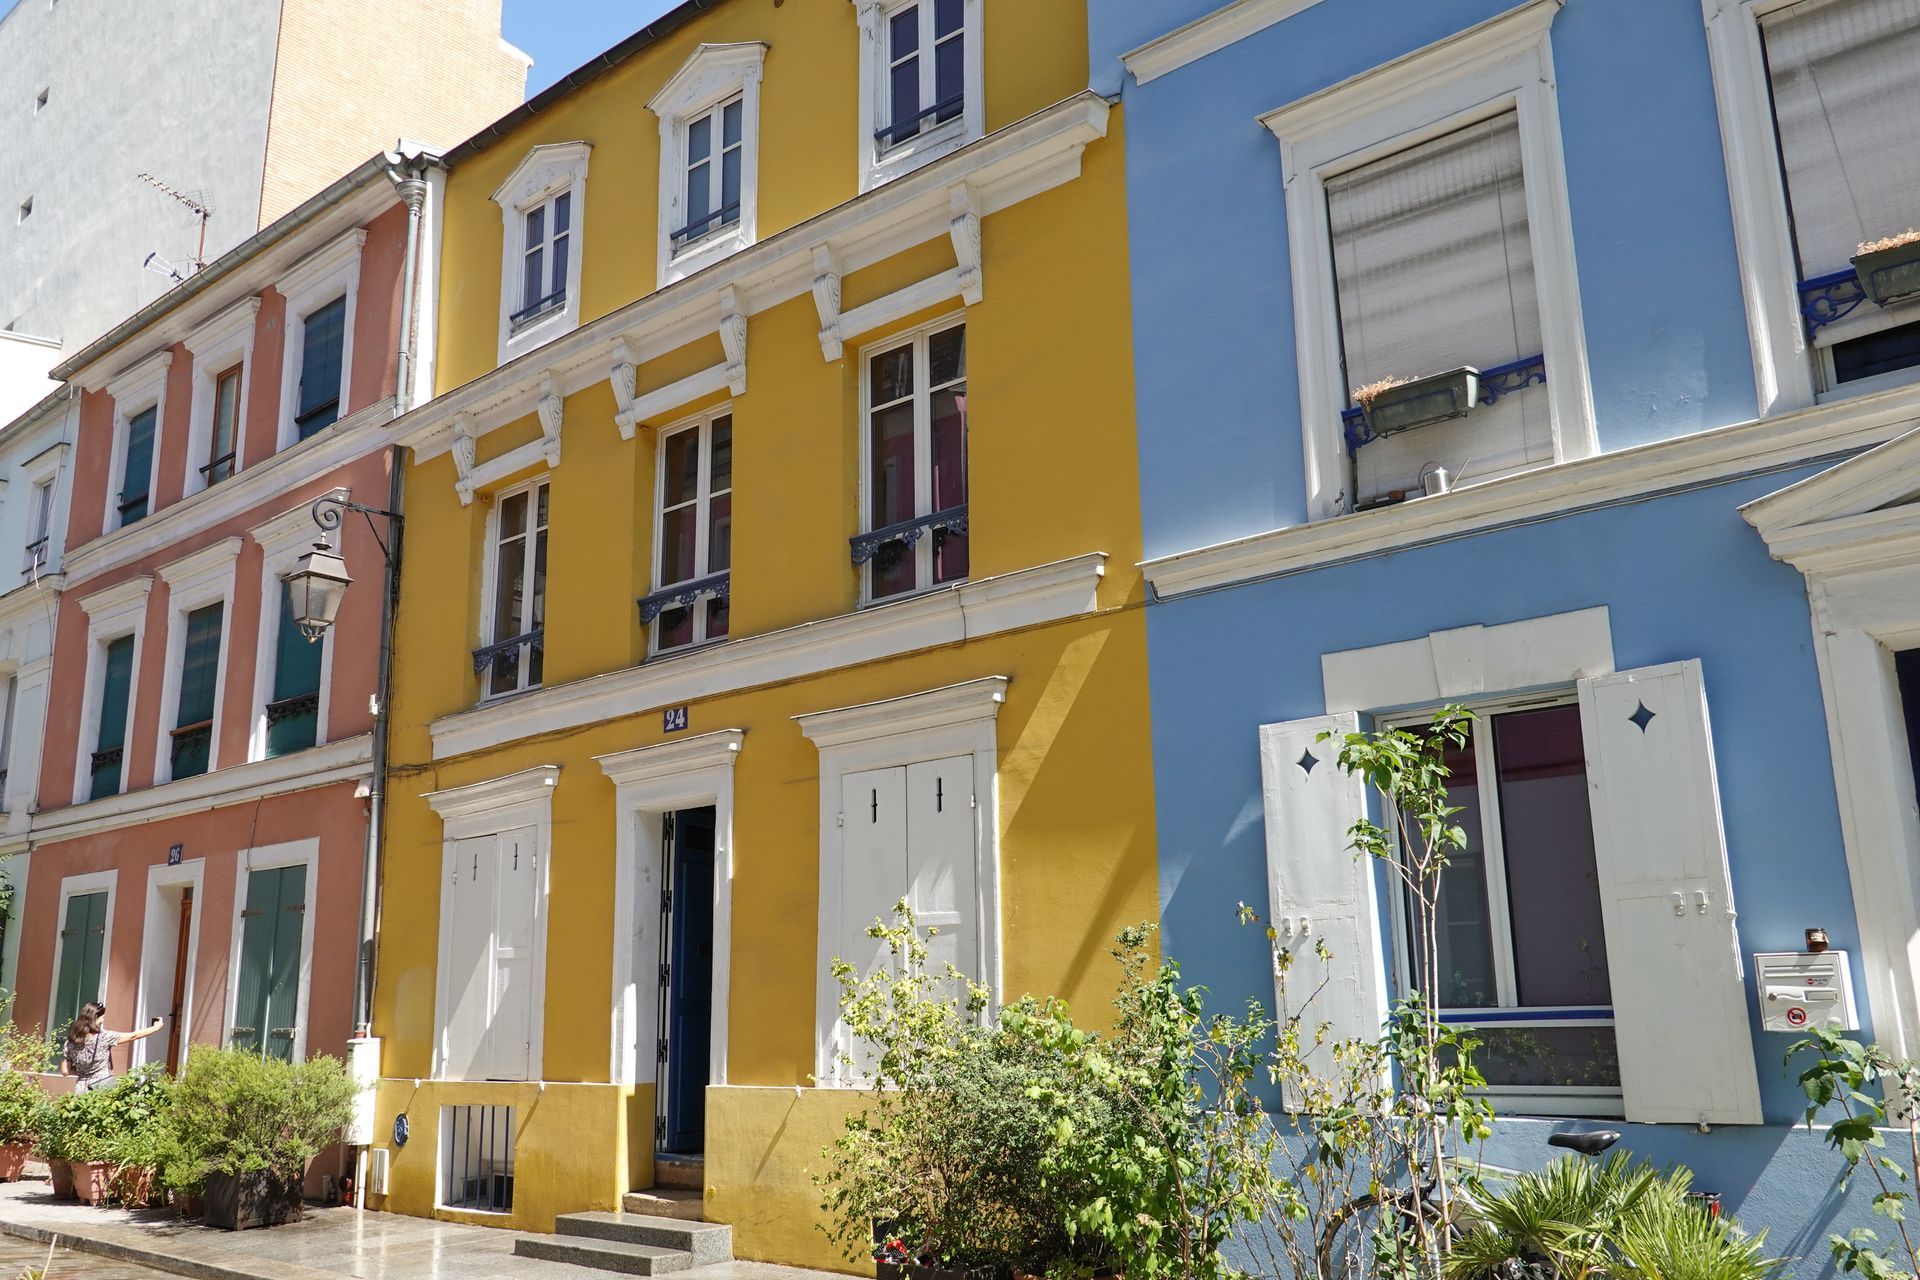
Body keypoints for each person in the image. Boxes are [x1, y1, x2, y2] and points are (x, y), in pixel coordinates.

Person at [61, 1003, 163, 1093]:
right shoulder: (104, 1037)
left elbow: (65, 1071)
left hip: (81, 1089)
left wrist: (84, 1071)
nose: (103, 1020)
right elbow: (133, 1036)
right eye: (102, 1017)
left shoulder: (70, 1042)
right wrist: (155, 1028)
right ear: (95, 1018)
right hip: (102, 1086)